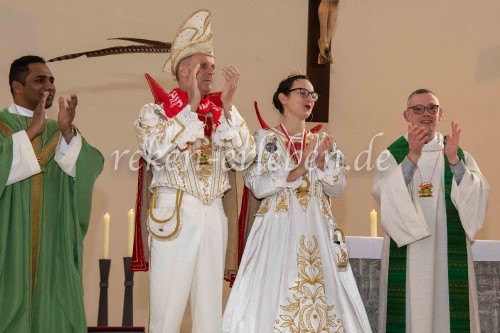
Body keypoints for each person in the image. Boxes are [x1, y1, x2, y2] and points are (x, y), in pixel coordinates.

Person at [133, 9, 256, 333]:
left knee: (209, 317)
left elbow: (245, 157)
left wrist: (228, 106)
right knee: (166, 314)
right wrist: (190, 107)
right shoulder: (155, 112)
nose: (211, 72)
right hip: (174, 214)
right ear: (183, 69)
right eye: (204, 66)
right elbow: (154, 150)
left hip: (213, 216)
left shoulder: (220, 111)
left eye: (214, 67)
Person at [222, 73, 372, 333]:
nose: (309, 99)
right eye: (302, 92)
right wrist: (297, 170)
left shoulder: (323, 141)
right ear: (283, 98)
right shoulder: (264, 140)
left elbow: (337, 188)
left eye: (312, 95)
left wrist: (323, 164)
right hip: (277, 229)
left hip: (316, 226)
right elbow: (257, 186)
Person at [0, 55, 104, 332]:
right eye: (40, 80)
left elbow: (91, 165)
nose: (49, 86)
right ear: (17, 87)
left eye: (51, 79)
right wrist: (30, 132)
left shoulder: (59, 129)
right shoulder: (2, 125)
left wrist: (68, 133)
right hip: (9, 245)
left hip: (53, 248)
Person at [372, 88, 489, 333]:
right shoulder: (392, 155)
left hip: (448, 248)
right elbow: (384, 192)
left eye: (432, 108)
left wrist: (455, 162)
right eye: (418, 109)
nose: (426, 113)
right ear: (407, 115)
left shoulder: (457, 153)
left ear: (440, 113)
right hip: (410, 249)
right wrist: (412, 157)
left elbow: (478, 195)